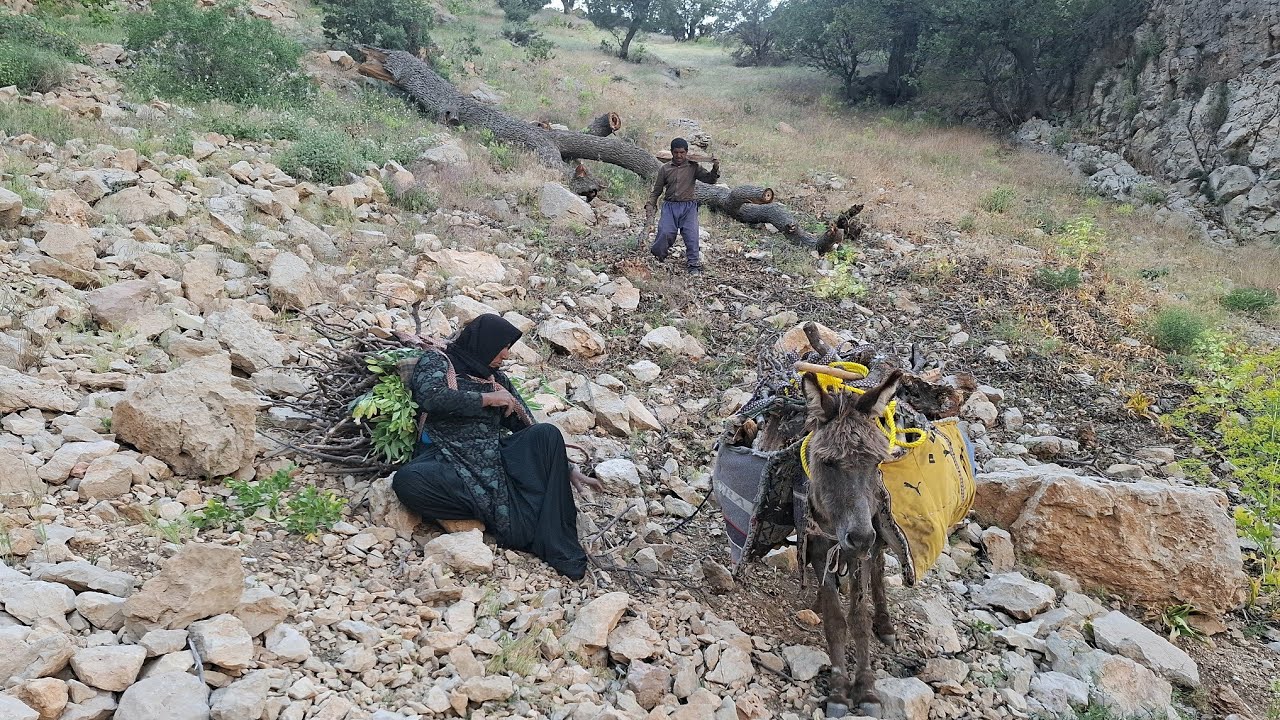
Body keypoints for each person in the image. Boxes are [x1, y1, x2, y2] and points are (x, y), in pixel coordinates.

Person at [391, 314, 603, 579]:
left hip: (493, 457)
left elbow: (526, 422)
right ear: (485, 342)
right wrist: (486, 399)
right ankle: (501, 521)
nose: (505, 355)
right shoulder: (438, 362)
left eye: (508, 348)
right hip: (447, 455)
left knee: (546, 434)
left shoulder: (496, 379)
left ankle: (548, 537)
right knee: (408, 481)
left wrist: (566, 469)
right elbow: (431, 398)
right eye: (502, 346)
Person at [645, 137, 720, 273]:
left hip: (688, 207)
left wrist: (715, 168)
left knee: (692, 235)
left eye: (682, 152)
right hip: (670, 206)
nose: (679, 156)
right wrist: (651, 203)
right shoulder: (665, 169)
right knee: (665, 233)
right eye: (676, 152)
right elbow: (657, 190)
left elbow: (710, 180)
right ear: (671, 152)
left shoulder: (693, 167)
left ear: (686, 152)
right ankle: (658, 258)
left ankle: (693, 265)